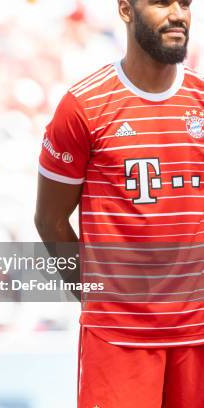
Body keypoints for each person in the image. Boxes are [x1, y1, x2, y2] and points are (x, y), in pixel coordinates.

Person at [35, 0, 203, 407]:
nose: (178, 14)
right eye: (162, 2)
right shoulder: (82, 106)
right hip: (117, 340)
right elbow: (50, 219)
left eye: (185, 2)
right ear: (126, 9)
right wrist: (99, 296)